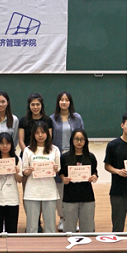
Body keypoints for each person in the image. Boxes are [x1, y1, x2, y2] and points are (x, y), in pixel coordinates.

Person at [50, 92, 84, 231]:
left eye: (66, 100)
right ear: (58, 102)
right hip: (58, 156)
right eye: (61, 100)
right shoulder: (52, 119)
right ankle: (62, 218)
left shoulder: (77, 118)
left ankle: (73, 219)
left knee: (74, 187)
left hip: (73, 156)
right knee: (60, 188)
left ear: (70, 102)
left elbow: (82, 136)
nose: (64, 102)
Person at [22, 121, 60, 233]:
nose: (40, 135)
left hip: (49, 191)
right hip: (32, 191)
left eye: (43, 132)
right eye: (37, 132)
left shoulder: (54, 149)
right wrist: (28, 171)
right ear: (33, 134)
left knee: (50, 227)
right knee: (32, 227)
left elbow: (58, 169)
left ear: (47, 133)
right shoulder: (28, 150)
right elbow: (24, 171)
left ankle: (50, 245)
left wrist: (55, 169)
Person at [59, 129, 98, 233]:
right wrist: (63, 178)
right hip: (69, 196)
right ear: (72, 140)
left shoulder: (90, 157)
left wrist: (94, 177)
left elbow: (95, 172)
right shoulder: (64, 157)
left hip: (87, 196)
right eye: (76, 139)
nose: (79, 142)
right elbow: (61, 173)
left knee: (88, 229)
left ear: (85, 141)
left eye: (82, 139)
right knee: (69, 230)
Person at [0, 132, 23, 233]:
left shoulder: (17, 160)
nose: (5, 146)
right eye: (1, 143)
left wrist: (16, 173)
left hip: (12, 200)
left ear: (12, 145)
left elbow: (19, 180)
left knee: (11, 231)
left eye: (7, 143)